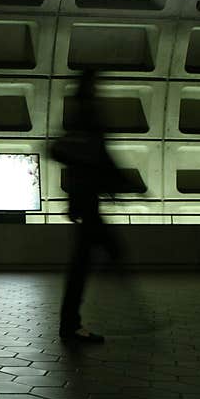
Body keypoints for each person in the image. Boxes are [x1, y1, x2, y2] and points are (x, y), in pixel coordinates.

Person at [51, 69, 127, 344]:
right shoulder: (89, 114)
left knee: (83, 262)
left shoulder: (76, 114)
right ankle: (72, 324)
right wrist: (120, 182)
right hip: (89, 199)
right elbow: (100, 154)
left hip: (82, 198)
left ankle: (71, 323)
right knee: (88, 260)